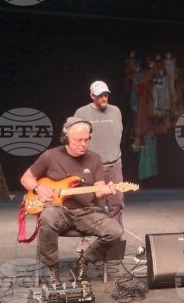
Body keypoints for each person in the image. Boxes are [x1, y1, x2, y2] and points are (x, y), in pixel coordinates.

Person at [20, 117, 123, 286]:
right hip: (59, 211)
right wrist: (38, 188)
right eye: (78, 140)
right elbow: (26, 178)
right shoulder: (50, 156)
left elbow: (99, 190)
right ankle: (51, 268)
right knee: (48, 216)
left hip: (87, 212)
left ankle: (83, 262)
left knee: (115, 231)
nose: (83, 144)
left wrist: (107, 190)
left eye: (87, 140)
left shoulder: (95, 159)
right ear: (65, 138)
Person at [74, 81, 125, 225]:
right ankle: (90, 234)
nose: (104, 98)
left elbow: (118, 133)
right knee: (93, 203)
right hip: (92, 166)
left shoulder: (115, 111)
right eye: (100, 95)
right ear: (92, 96)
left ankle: (115, 233)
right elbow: (74, 137)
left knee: (117, 202)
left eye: (106, 95)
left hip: (114, 164)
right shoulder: (81, 113)